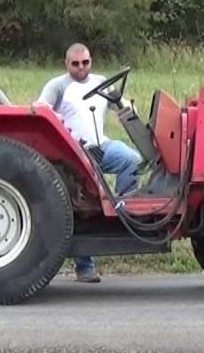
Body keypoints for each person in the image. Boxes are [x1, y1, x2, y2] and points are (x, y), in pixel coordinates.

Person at [36, 43, 142, 283]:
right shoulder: (57, 86)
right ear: (67, 64)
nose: (81, 68)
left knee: (131, 159)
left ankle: (123, 208)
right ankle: (84, 267)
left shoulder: (101, 82)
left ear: (91, 61)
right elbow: (41, 110)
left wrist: (129, 108)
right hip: (75, 151)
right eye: (75, 64)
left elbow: (121, 104)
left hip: (101, 145)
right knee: (85, 201)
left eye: (85, 63)